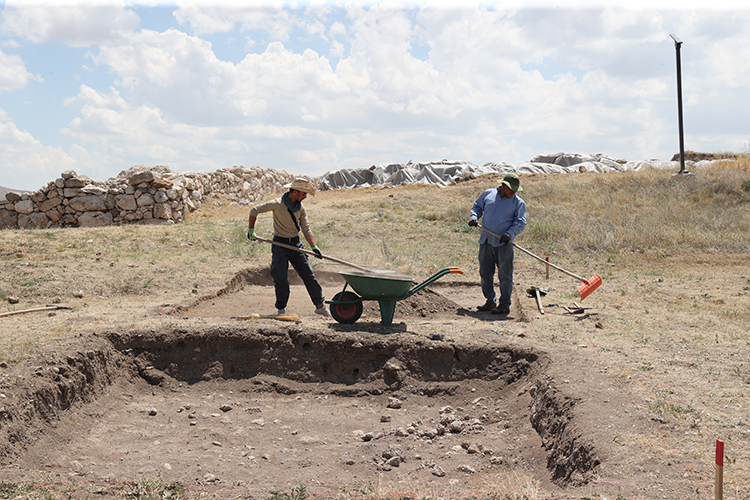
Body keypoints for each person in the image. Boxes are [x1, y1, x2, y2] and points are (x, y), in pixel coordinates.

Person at [247, 178, 329, 317]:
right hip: (280, 245)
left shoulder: (300, 208)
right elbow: (255, 210)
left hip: (296, 245)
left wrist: (314, 247)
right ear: (295, 192)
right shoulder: (277, 204)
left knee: (309, 276)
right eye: (304, 194)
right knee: (281, 278)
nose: (305, 197)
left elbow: (306, 229)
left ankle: (320, 306)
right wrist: (251, 230)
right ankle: (281, 309)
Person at [468, 173, 527, 315]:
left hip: (504, 244)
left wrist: (510, 234)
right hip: (486, 241)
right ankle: (490, 301)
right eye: (511, 189)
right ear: (503, 185)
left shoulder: (518, 203)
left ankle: (504, 304)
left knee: (505, 275)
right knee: (485, 273)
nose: (513, 192)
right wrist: (474, 217)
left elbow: (521, 222)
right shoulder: (488, 194)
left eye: (515, 190)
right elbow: (476, 207)